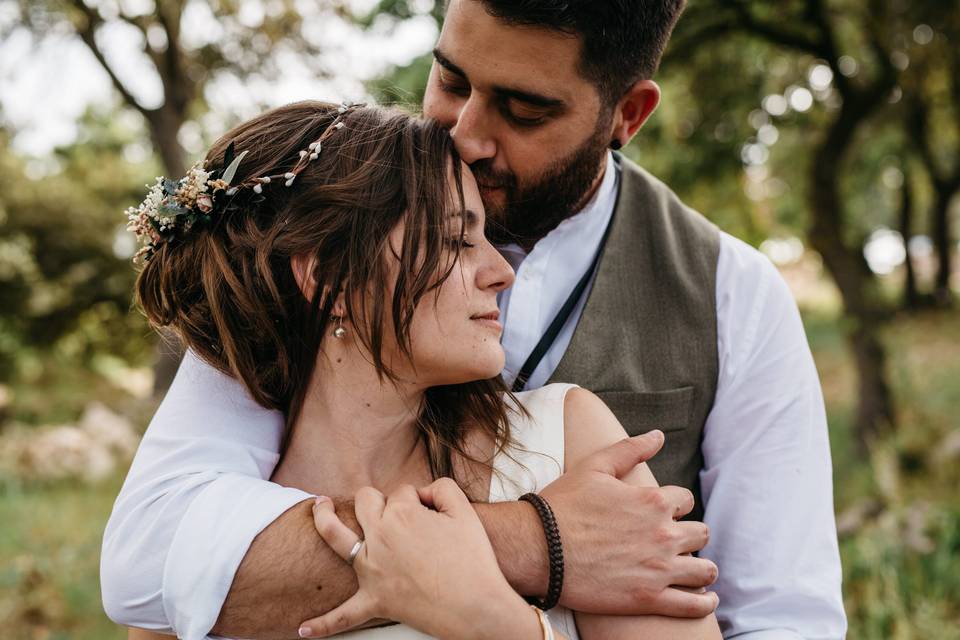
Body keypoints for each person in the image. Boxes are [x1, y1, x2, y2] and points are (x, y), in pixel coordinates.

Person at [102, 1, 846, 638]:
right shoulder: (325, 242)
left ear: (628, 114)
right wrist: (533, 542)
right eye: (451, 80)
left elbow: (788, 616)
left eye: (525, 109)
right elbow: (149, 562)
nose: (464, 134)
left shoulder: (730, 296)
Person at [119, 101, 722, 639]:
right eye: (459, 242)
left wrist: (499, 625)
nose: (501, 272)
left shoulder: (565, 442)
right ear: (331, 279)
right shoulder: (207, 548)